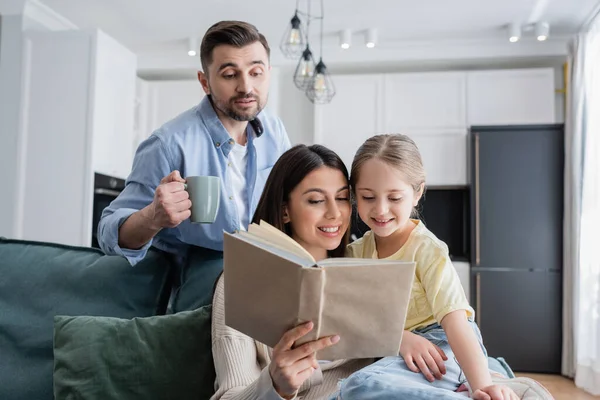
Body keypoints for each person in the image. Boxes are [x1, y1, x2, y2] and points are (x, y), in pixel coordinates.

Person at [336, 134, 551, 400]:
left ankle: (483, 388)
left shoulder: (427, 249)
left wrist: (483, 387)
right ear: (355, 195)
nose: (381, 210)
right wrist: (399, 337)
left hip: (444, 345)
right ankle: (474, 385)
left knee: (358, 387)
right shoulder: (356, 253)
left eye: (394, 198)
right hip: (399, 350)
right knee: (356, 389)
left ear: (417, 193)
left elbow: (456, 324)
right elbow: (352, 315)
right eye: (368, 197)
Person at [97, 21, 290, 308]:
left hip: (264, 278)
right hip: (196, 292)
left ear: (269, 74)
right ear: (205, 81)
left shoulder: (273, 130)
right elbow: (108, 231)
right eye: (229, 74)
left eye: (256, 73)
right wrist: (153, 217)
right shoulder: (167, 144)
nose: (246, 86)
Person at [211, 144, 375, 400]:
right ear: (285, 210)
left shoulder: (368, 266)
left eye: (342, 198)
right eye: (317, 200)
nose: (335, 213)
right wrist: (276, 386)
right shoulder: (239, 282)